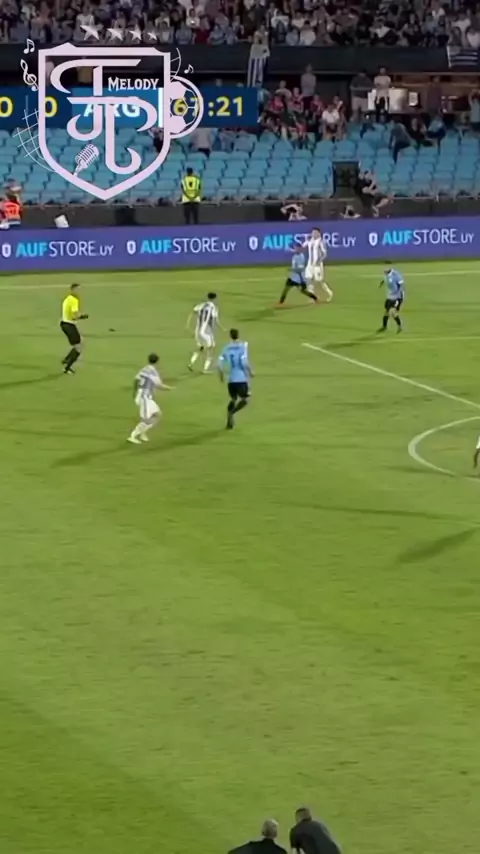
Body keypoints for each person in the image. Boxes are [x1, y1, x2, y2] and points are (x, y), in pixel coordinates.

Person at [128, 353, 173, 445]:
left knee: (158, 415)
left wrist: (135, 391)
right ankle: (132, 436)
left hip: (144, 396)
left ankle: (142, 433)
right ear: (157, 361)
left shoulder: (144, 369)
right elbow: (159, 385)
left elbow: (136, 380)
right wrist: (170, 388)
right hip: (144, 398)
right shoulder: (153, 372)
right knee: (145, 419)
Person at [218, 328, 253, 430]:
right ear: (238, 335)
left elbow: (219, 365)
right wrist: (250, 372)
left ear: (230, 336)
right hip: (241, 379)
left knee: (233, 399)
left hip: (231, 380)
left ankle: (229, 420)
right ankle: (232, 413)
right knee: (245, 400)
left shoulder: (226, 348)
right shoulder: (242, 347)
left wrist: (221, 376)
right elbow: (244, 363)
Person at [187, 292, 221, 374]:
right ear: (214, 298)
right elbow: (215, 321)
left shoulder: (201, 305)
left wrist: (187, 324)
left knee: (201, 347)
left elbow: (192, 312)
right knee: (211, 349)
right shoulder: (213, 308)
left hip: (197, 331)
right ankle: (205, 369)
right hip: (206, 332)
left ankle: (191, 363)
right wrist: (222, 328)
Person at [60, 282, 88, 374]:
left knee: (80, 342)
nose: (80, 292)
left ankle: (66, 359)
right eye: (78, 289)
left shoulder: (68, 298)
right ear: (73, 290)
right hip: (69, 325)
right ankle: (67, 368)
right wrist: (82, 316)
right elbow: (75, 315)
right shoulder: (74, 300)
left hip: (64, 324)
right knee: (79, 347)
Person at [302, 227, 333, 302]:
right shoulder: (310, 240)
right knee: (309, 280)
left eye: (315, 232)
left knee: (319, 281)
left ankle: (329, 293)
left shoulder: (321, 242)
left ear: (319, 233)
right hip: (310, 264)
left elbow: (325, 254)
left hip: (317, 265)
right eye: (313, 232)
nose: (314, 234)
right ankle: (312, 297)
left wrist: (319, 261)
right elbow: (302, 246)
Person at [378, 263, 404, 333]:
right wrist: (381, 284)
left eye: (385, 267)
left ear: (389, 267)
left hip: (396, 297)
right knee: (386, 312)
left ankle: (399, 326)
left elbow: (401, 285)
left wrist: (398, 295)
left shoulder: (396, 275)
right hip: (389, 297)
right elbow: (385, 279)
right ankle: (384, 327)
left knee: (392, 312)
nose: (384, 269)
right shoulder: (386, 274)